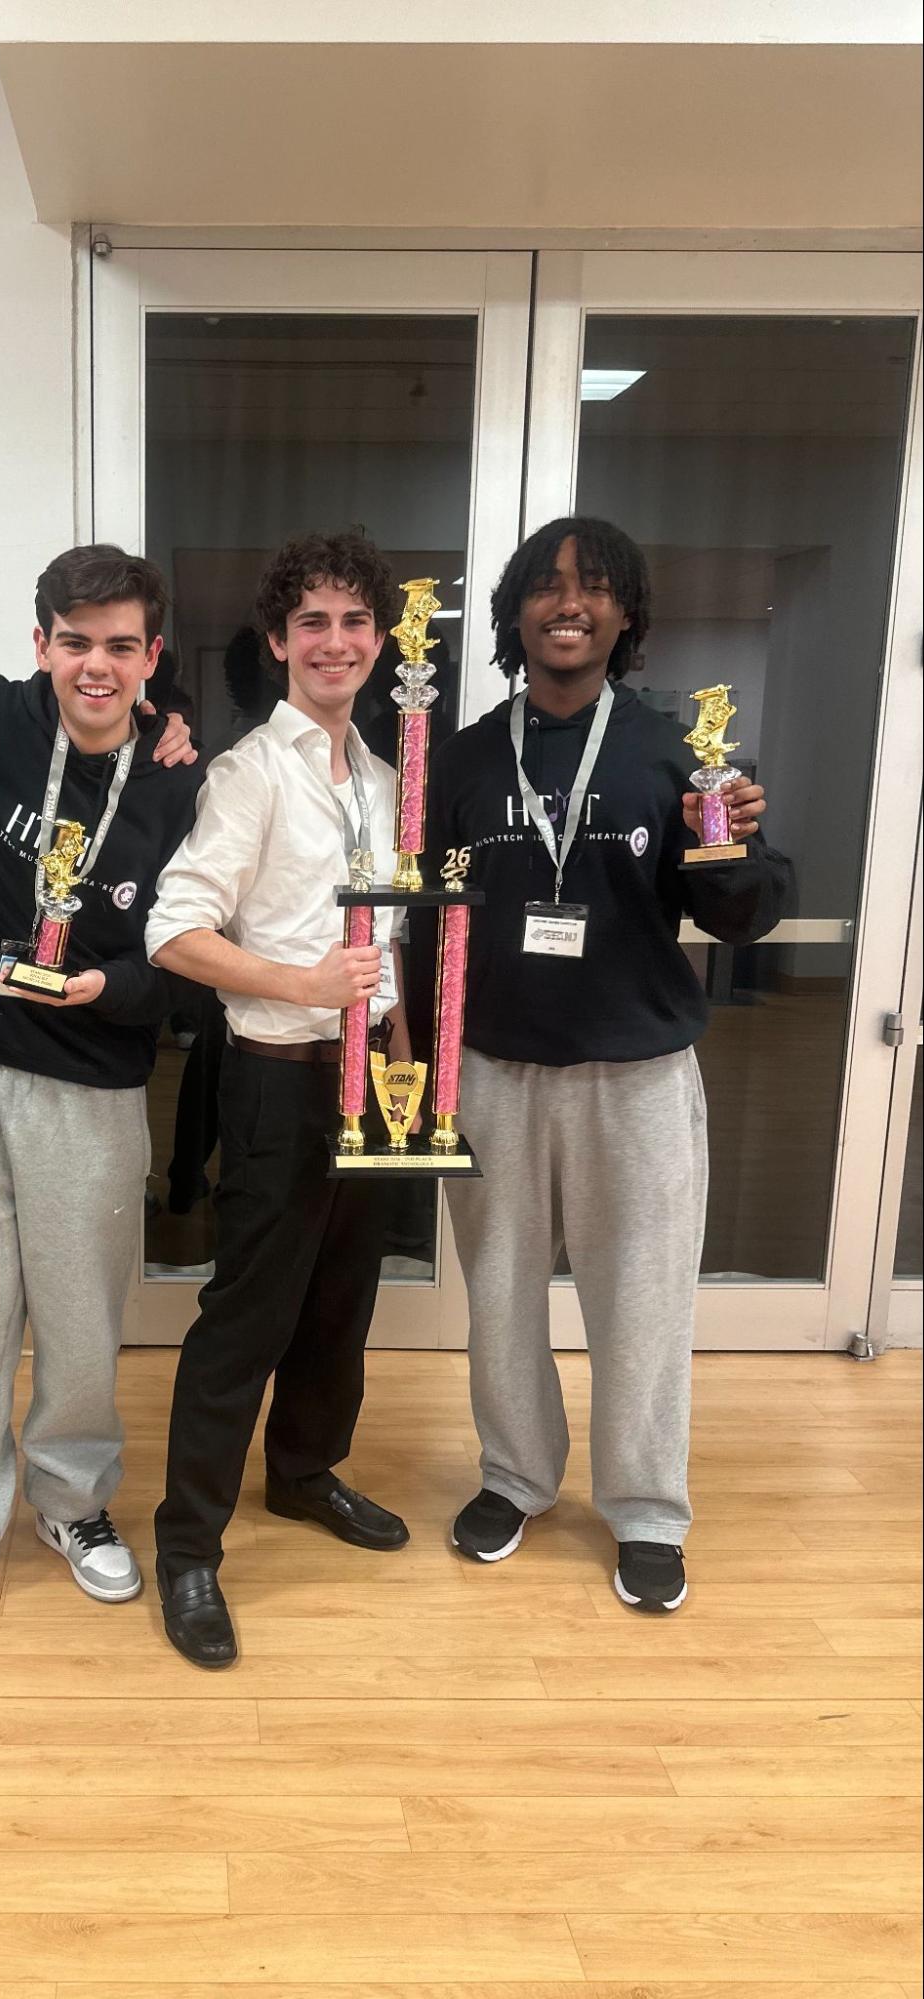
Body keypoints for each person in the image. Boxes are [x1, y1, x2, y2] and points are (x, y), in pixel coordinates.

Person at [429, 515, 791, 1613]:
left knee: (642, 1302)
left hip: (636, 1075)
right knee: (500, 1297)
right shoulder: (464, 758)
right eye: (546, 586)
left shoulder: (676, 753)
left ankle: (645, 1508)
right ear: (515, 612)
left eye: (593, 586)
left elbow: (741, 917)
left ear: (625, 613)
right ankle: (516, 1476)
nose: (569, 604)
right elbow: (426, 916)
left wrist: (732, 848)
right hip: (494, 1071)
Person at [0, 547, 203, 1644]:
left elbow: (189, 955)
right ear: (41, 646)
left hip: (98, 1083)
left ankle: (71, 1501)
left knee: (81, 1317)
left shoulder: (181, 781)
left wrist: (112, 988)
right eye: (75, 642)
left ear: (153, 657)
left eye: (121, 645)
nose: (95, 666)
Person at [145, 530, 415, 1669]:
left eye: (354, 622)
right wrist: (302, 984)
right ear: (277, 641)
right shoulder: (249, 773)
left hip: (373, 1085)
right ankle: (188, 1547)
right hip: (277, 1077)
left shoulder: (387, 780)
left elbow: (388, 940)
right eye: (313, 623)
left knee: (340, 1302)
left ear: (380, 641)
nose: (334, 642)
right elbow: (173, 931)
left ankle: (304, 1472)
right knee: (247, 1318)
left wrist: (398, 1041)